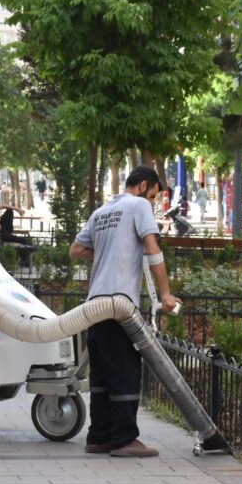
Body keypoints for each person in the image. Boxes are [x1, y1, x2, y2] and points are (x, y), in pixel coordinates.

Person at [69, 165, 180, 458]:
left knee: (102, 375)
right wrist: (166, 294)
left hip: (94, 305)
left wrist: (112, 249)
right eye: (154, 195)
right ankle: (124, 440)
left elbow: (76, 250)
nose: (153, 202)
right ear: (143, 186)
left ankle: (99, 437)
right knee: (126, 371)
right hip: (119, 303)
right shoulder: (139, 205)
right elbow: (153, 250)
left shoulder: (102, 211)